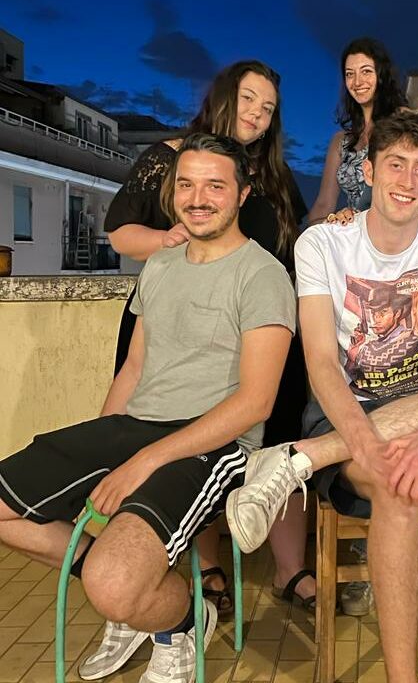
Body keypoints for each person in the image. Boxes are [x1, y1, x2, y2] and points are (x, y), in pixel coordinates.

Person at [226, 112, 418, 683]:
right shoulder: (323, 242)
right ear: (368, 171)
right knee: (398, 489)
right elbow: (320, 362)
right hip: (348, 412)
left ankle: (299, 460)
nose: (408, 181)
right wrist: (364, 444)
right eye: (396, 164)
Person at [0, 134, 297, 683]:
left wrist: (144, 462)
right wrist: (104, 444)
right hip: (135, 425)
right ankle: (135, 597)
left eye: (215, 186)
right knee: (40, 531)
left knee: (113, 585)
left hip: (214, 443)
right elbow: (134, 369)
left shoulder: (262, 275)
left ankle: (178, 621)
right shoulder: (160, 266)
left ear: (242, 194)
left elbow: (255, 402)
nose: (198, 198)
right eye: (186, 184)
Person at [104, 60, 316, 618]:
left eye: (268, 108)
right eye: (248, 99)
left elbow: (299, 237)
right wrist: (170, 239)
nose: (257, 114)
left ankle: (291, 569)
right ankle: (207, 568)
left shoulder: (270, 174)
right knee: (191, 432)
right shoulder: (170, 157)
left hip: (263, 324)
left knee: (280, 440)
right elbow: (120, 232)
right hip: (182, 321)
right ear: (223, 97)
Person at [307, 37, 407, 224]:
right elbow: (324, 204)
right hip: (352, 231)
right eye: (350, 74)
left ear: (381, 74)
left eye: (366, 71)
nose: (357, 81)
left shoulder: (403, 122)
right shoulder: (340, 141)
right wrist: (327, 224)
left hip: (394, 230)